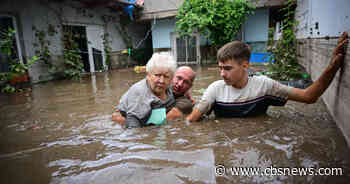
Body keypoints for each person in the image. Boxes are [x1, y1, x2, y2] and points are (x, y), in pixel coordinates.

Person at [186, 32, 348, 121]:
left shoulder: (264, 85)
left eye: (227, 68)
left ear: (245, 66)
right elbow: (192, 121)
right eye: (220, 68)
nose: (222, 74)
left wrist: (332, 67)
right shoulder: (215, 89)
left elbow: (309, 96)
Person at [112, 55, 196, 127]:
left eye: (166, 76)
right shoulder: (141, 91)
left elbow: (157, 124)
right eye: (157, 75)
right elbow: (133, 125)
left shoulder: (179, 96)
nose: (162, 81)